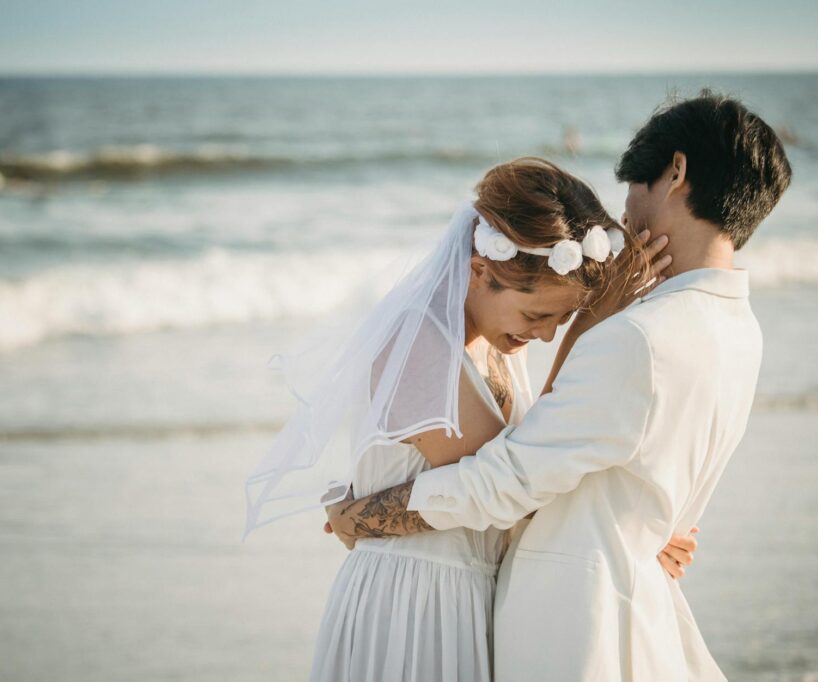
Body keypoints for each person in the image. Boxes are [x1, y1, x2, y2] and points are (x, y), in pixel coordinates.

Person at [325, 91, 793, 680]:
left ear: (675, 173)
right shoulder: (740, 333)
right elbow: (547, 464)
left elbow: (509, 480)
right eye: (539, 317)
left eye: (634, 186)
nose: (627, 213)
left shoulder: (640, 338)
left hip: (570, 620)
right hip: (424, 606)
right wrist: (647, 527)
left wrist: (360, 515)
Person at [246, 157, 694, 681]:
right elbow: (513, 486)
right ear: (481, 271)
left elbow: (533, 468)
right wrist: (585, 332)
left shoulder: (496, 344)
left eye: (563, 319)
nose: (546, 335)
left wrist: (633, 528)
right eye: (537, 316)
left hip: (470, 597)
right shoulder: (417, 343)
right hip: (412, 606)